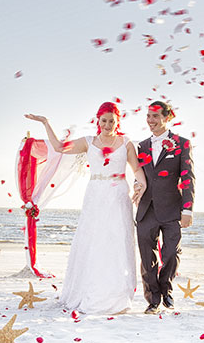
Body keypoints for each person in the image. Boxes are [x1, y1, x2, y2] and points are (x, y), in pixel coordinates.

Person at [25, 102, 148, 314]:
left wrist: (141, 184)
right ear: (98, 121)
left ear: (117, 122)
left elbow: (136, 169)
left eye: (112, 121)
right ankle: (90, 288)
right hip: (95, 194)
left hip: (118, 193)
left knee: (117, 240)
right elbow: (59, 147)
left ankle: (117, 294)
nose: (108, 124)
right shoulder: (88, 142)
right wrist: (46, 123)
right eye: (104, 120)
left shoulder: (126, 143)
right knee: (94, 241)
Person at [133, 100, 194, 313]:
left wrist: (187, 210)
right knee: (147, 256)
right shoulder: (140, 146)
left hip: (171, 209)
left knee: (170, 254)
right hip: (146, 209)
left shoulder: (182, 143)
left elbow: (187, 178)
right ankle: (153, 298)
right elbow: (138, 174)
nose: (151, 120)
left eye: (156, 116)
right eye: (148, 116)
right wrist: (137, 187)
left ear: (167, 117)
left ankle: (166, 289)